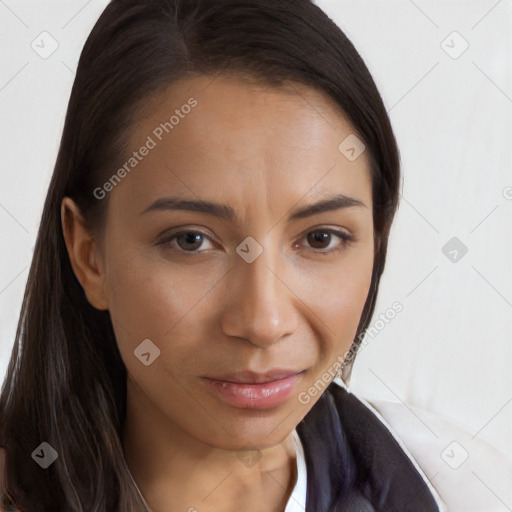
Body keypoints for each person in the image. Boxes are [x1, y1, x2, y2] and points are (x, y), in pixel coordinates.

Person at [1, 1, 510, 511]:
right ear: (88, 254)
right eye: (190, 241)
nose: (263, 322)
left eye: (320, 239)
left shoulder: (465, 489)